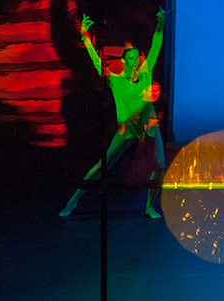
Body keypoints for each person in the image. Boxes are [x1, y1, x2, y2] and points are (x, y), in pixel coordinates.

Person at [59, 7, 167, 218]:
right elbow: (96, 61)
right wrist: (85, 36)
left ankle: (149, 206)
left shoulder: (145, 74)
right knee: (102, 167)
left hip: (149, 127)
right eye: (132, 58)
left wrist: (161, 22)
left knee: (160, 166)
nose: (136, 61)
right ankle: (72, 202)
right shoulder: (115, 80)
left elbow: (156, 45)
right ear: (124, 61)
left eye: (137, 58)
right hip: (127, 129)